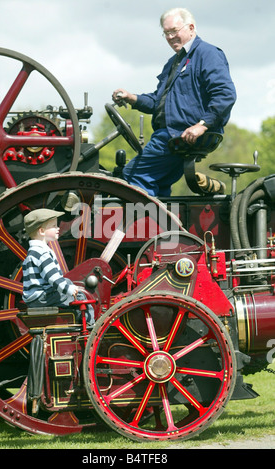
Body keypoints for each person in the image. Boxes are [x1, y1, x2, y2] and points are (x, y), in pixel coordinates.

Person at [112, 7, 236, 197]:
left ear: (191, 28)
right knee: (159, 183)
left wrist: (202, 125)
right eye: (166, 33)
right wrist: (132, 98)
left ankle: (142, 226)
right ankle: (162, 223)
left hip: (180, 134)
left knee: (132, 174)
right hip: (170, 135)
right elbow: (158, 102)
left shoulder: (207, 54)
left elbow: (225, 94)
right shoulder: (174, 62)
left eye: (174, 31)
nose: (170, 37)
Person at [22, 208, 94, 324]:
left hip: (34, 298)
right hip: (42, 297)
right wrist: (68, 289)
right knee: (80, 296)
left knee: (68, 282)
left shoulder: (33, 251)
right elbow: (53, 278)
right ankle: (90, 325)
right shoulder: (42, 253)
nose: (58, 228)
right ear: (41, 231)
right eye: (54, 226)